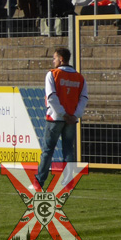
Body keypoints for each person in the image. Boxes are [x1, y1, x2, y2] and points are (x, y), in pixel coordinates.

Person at [34, 48, 88, 188]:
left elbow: (51, 96)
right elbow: (84, 98)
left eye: (54, 58)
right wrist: (75, 115)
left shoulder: (53, 74)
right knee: (68, 149)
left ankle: (39, 181)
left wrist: (62, 113)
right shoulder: (79, 77)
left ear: (61, 59)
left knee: (48, 150)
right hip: (71, 119)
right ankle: (68, 181)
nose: (53, 61)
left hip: (55, 117)